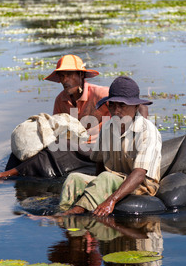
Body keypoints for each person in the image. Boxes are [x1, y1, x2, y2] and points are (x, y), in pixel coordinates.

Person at [0, 55, 148, 181]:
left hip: (96, 148)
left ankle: (1, 176)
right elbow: (56, 128)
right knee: (31, 148)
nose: (65, 80)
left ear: (80, 76)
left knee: (57, 148)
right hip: (75, 145)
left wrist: (139, 129)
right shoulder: (61, 100)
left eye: (70, 74)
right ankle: (10, 172)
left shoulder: (99, 93)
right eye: (62, 76)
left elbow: (139, 105)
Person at [58, 76, 162, 217]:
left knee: (107, 177)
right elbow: (99, 161)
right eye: (112, 105)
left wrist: (110, 201)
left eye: (122, 105)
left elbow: (139, 174)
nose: (116, 110)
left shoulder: (147, 131)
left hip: (141, 185)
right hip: (113, 179)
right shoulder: (108, 127)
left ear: (136, 107)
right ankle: (63, 211)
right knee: (74, 178)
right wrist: (95, 186)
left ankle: (75, 212)